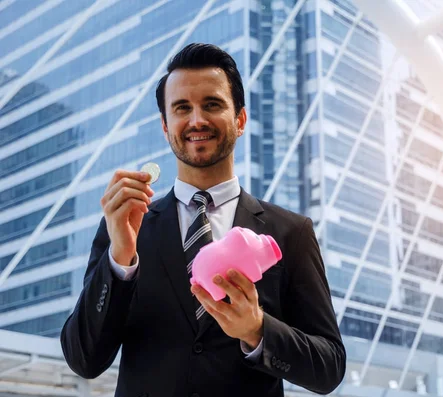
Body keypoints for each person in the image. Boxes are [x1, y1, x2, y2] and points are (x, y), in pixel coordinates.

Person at [60, 43, 346, 397]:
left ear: (239, 120)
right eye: (182, 108)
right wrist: (119, 261)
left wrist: (257, 329)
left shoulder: (291, 232)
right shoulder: (126, 227)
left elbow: (329, 367)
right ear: (166, 127)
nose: (196, 120)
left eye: (212, 104)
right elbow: (83, 359)